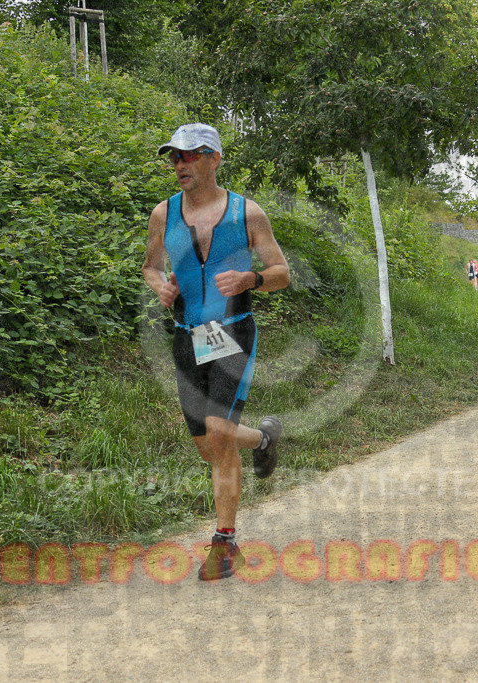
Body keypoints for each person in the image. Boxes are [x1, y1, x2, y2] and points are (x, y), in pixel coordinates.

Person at [142, 123, 290, 581]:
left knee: (220, 432)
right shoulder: (162, 215)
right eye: (175, 157)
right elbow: (150, 267)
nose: (180, 165)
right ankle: (263, 438)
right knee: (209, 446)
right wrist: (161, 287)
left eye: (190, 156)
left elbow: (281, 271)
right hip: (186, 336)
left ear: (215, 159)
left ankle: (224, 543)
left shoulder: (248, 214)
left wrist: (252, 279)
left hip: (232, 333)